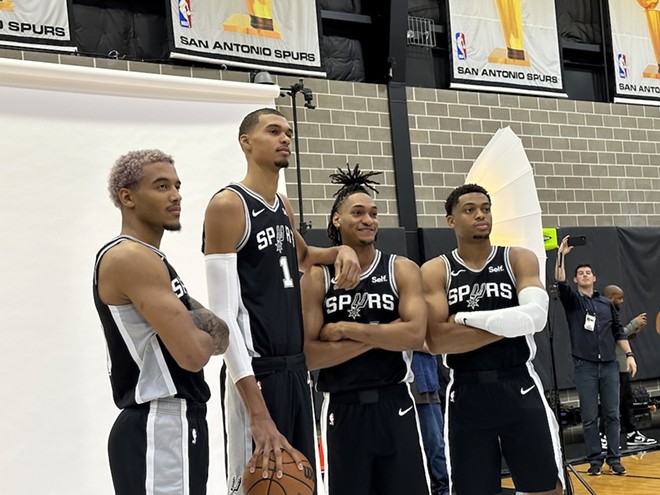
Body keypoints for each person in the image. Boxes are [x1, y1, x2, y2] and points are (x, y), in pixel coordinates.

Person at [203, 108, 360, 494]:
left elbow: (303, 256)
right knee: (259, 486)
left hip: (295, 371)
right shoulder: (228, 205)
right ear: (246, 142)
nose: (284, 138)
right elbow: (222, 320)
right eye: (273, 131)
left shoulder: (283, 206)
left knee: (300, 483)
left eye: (288, 131)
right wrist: (257, 412)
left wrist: (343, 252)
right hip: (255, 373)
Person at [93, 149, 229, 495]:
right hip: (159, 421)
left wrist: (189, 323)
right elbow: (194, 354)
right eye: (162, 186)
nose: (176, 195)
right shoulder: (131, 257)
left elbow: (222, 335)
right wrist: (195, 326)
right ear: (127, 197)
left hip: (172, 423)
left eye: (178, 186)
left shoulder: (153, 260)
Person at [422, 183, 564, 495]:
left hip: (519, 385)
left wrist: (461, 319)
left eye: (485, 208)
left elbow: (535, 318)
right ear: (451, 220)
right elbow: (436, 340)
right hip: (466, 391)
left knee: (545, 488)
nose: (480, 215)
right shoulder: (436, 270)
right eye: (469, 210)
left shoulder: (518, 259)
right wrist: (510, 322)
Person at [300, 165, 430, 495]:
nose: (368, 220)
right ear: (336, 220)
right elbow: (311, 356)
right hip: (342, 408)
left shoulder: (401, 269)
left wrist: (346, 329)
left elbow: (415, 335)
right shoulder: (318, 276)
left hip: (396, 404)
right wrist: (387, 333)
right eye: (357, 213)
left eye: (373, 213)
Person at [554, 235, 637, 476]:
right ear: (576, 279)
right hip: (585, 366)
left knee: (612, 414)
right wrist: (560, 255)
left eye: (588, 272)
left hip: (610, 365)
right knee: (590, 416)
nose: (585, 275)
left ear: (594, 277)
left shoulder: (605, 303)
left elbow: (618, 330)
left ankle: (614, 458)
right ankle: (595, 461)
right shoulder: (573, 302)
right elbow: (559, 282)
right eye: (580, 273)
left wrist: (629, 355)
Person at [601, 285, 656, 448]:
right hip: (612, 367)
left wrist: (633, 331)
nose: (622, 301)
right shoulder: (604, 314)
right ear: (610, 298)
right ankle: (603, 435)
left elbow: (620, 338)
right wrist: (632, 324)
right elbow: (611, 338)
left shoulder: (613, 314)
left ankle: (632, 434)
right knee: (612, 404)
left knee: (626, 403)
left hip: (621, 366)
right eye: (619, 298)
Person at [411, 350, 450, 495]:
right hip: (396, 390)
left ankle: (445, 488)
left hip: (424, 385)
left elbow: (431, 342)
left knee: (435, 444)